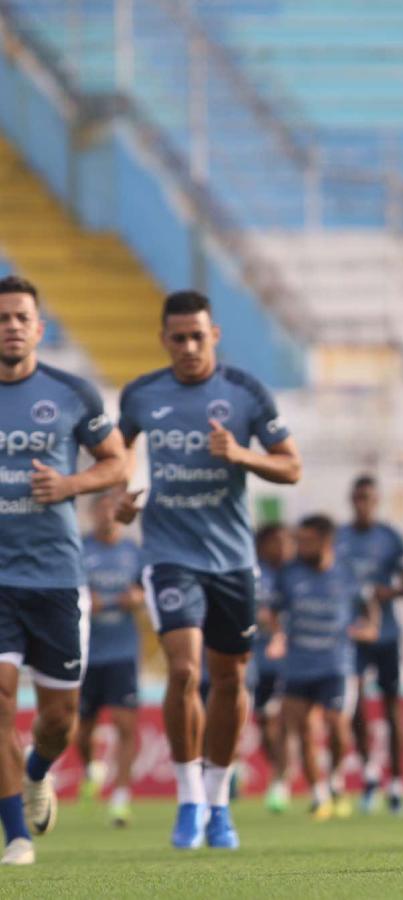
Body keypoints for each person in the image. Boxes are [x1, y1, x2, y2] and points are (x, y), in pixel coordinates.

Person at [116, 290, 301, 850]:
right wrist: (124, 491)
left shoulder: (245, 393)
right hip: (169, 555)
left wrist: (242, 455)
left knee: (229, 678)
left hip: (232, 561)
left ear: (214, 335)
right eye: (179, 337)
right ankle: (188, 796)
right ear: (164, 339)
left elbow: (291, 467)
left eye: (199, 336)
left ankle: (219, 802)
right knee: (182, 671)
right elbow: (116, 452)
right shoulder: (142, 394)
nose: (190, 346)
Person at [0, 275, 126, 866]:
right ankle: (15, 838)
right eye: (3, 318)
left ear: (39, 328)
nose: (12, 326)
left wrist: (70, 484)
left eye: (22, 317)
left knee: (59, 720)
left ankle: (37, 771)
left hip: (54, 576)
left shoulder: (73, 393)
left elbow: (117, 462)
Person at [267, 514, 376, 821]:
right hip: (298, 665)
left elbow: (368, 607)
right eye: (299, 540)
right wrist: (277, 635)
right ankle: (319, 794)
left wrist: (369, 628)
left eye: (308, 540)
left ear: (326, 542)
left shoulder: (346, 572)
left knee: (337, 726)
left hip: (336, 663)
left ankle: (336, 778)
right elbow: (272, 611)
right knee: (301, 729)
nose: (301, 546)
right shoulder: (288, 574)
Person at [335, 475, 403, 816]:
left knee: (392, 706)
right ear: (352, 501)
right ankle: (368, 772)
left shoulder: (390, 538)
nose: (363, 504)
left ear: (376, 501)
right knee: (353, 706)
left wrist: (388, 593)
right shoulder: (339, 539)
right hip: (351, 634)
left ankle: (397, 781)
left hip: (387, 634)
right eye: (358, 499)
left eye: (369, 498)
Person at [75, 492, 144, 828]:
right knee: (81, 729)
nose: (106, 516)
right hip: (86, 652)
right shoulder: (79, 549)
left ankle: (121, 798)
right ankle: (91, 767)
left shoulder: (134, 551)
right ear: (91, 514)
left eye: (111, 510)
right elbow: (67, 591)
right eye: (100, 509)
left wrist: (138, 597)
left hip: (122, 652)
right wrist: (85, 601)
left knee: (125, 724)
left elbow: (150, 589)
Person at [253, 523, 294, 814]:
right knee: (265, 721)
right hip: (259, 659)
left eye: (285, 541)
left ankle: (282, 780)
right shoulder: (256, 574)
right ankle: (277, 771)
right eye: (275, 542)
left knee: (290, 721)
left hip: (294, 661)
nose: (281, 548)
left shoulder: (296, 573)